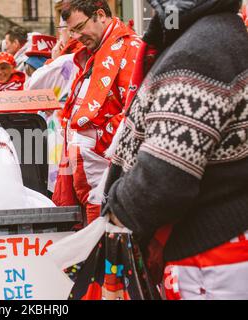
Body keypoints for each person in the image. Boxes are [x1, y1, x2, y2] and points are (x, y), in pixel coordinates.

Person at [102, 0, 248, 299]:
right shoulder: (216, 34)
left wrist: (116, 212)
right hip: (216, 246)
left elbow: (164, 180)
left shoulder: (199, 51)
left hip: (209, 256)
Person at [52, 0, 140, 224]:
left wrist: (99, 142)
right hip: (89, 178)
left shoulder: (131, 49)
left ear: (100, 15)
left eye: (79, 28)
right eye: (71, 31)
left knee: (103, 246)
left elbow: (136, 110)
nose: (76, 37)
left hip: (108, 180)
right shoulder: (91, 52)